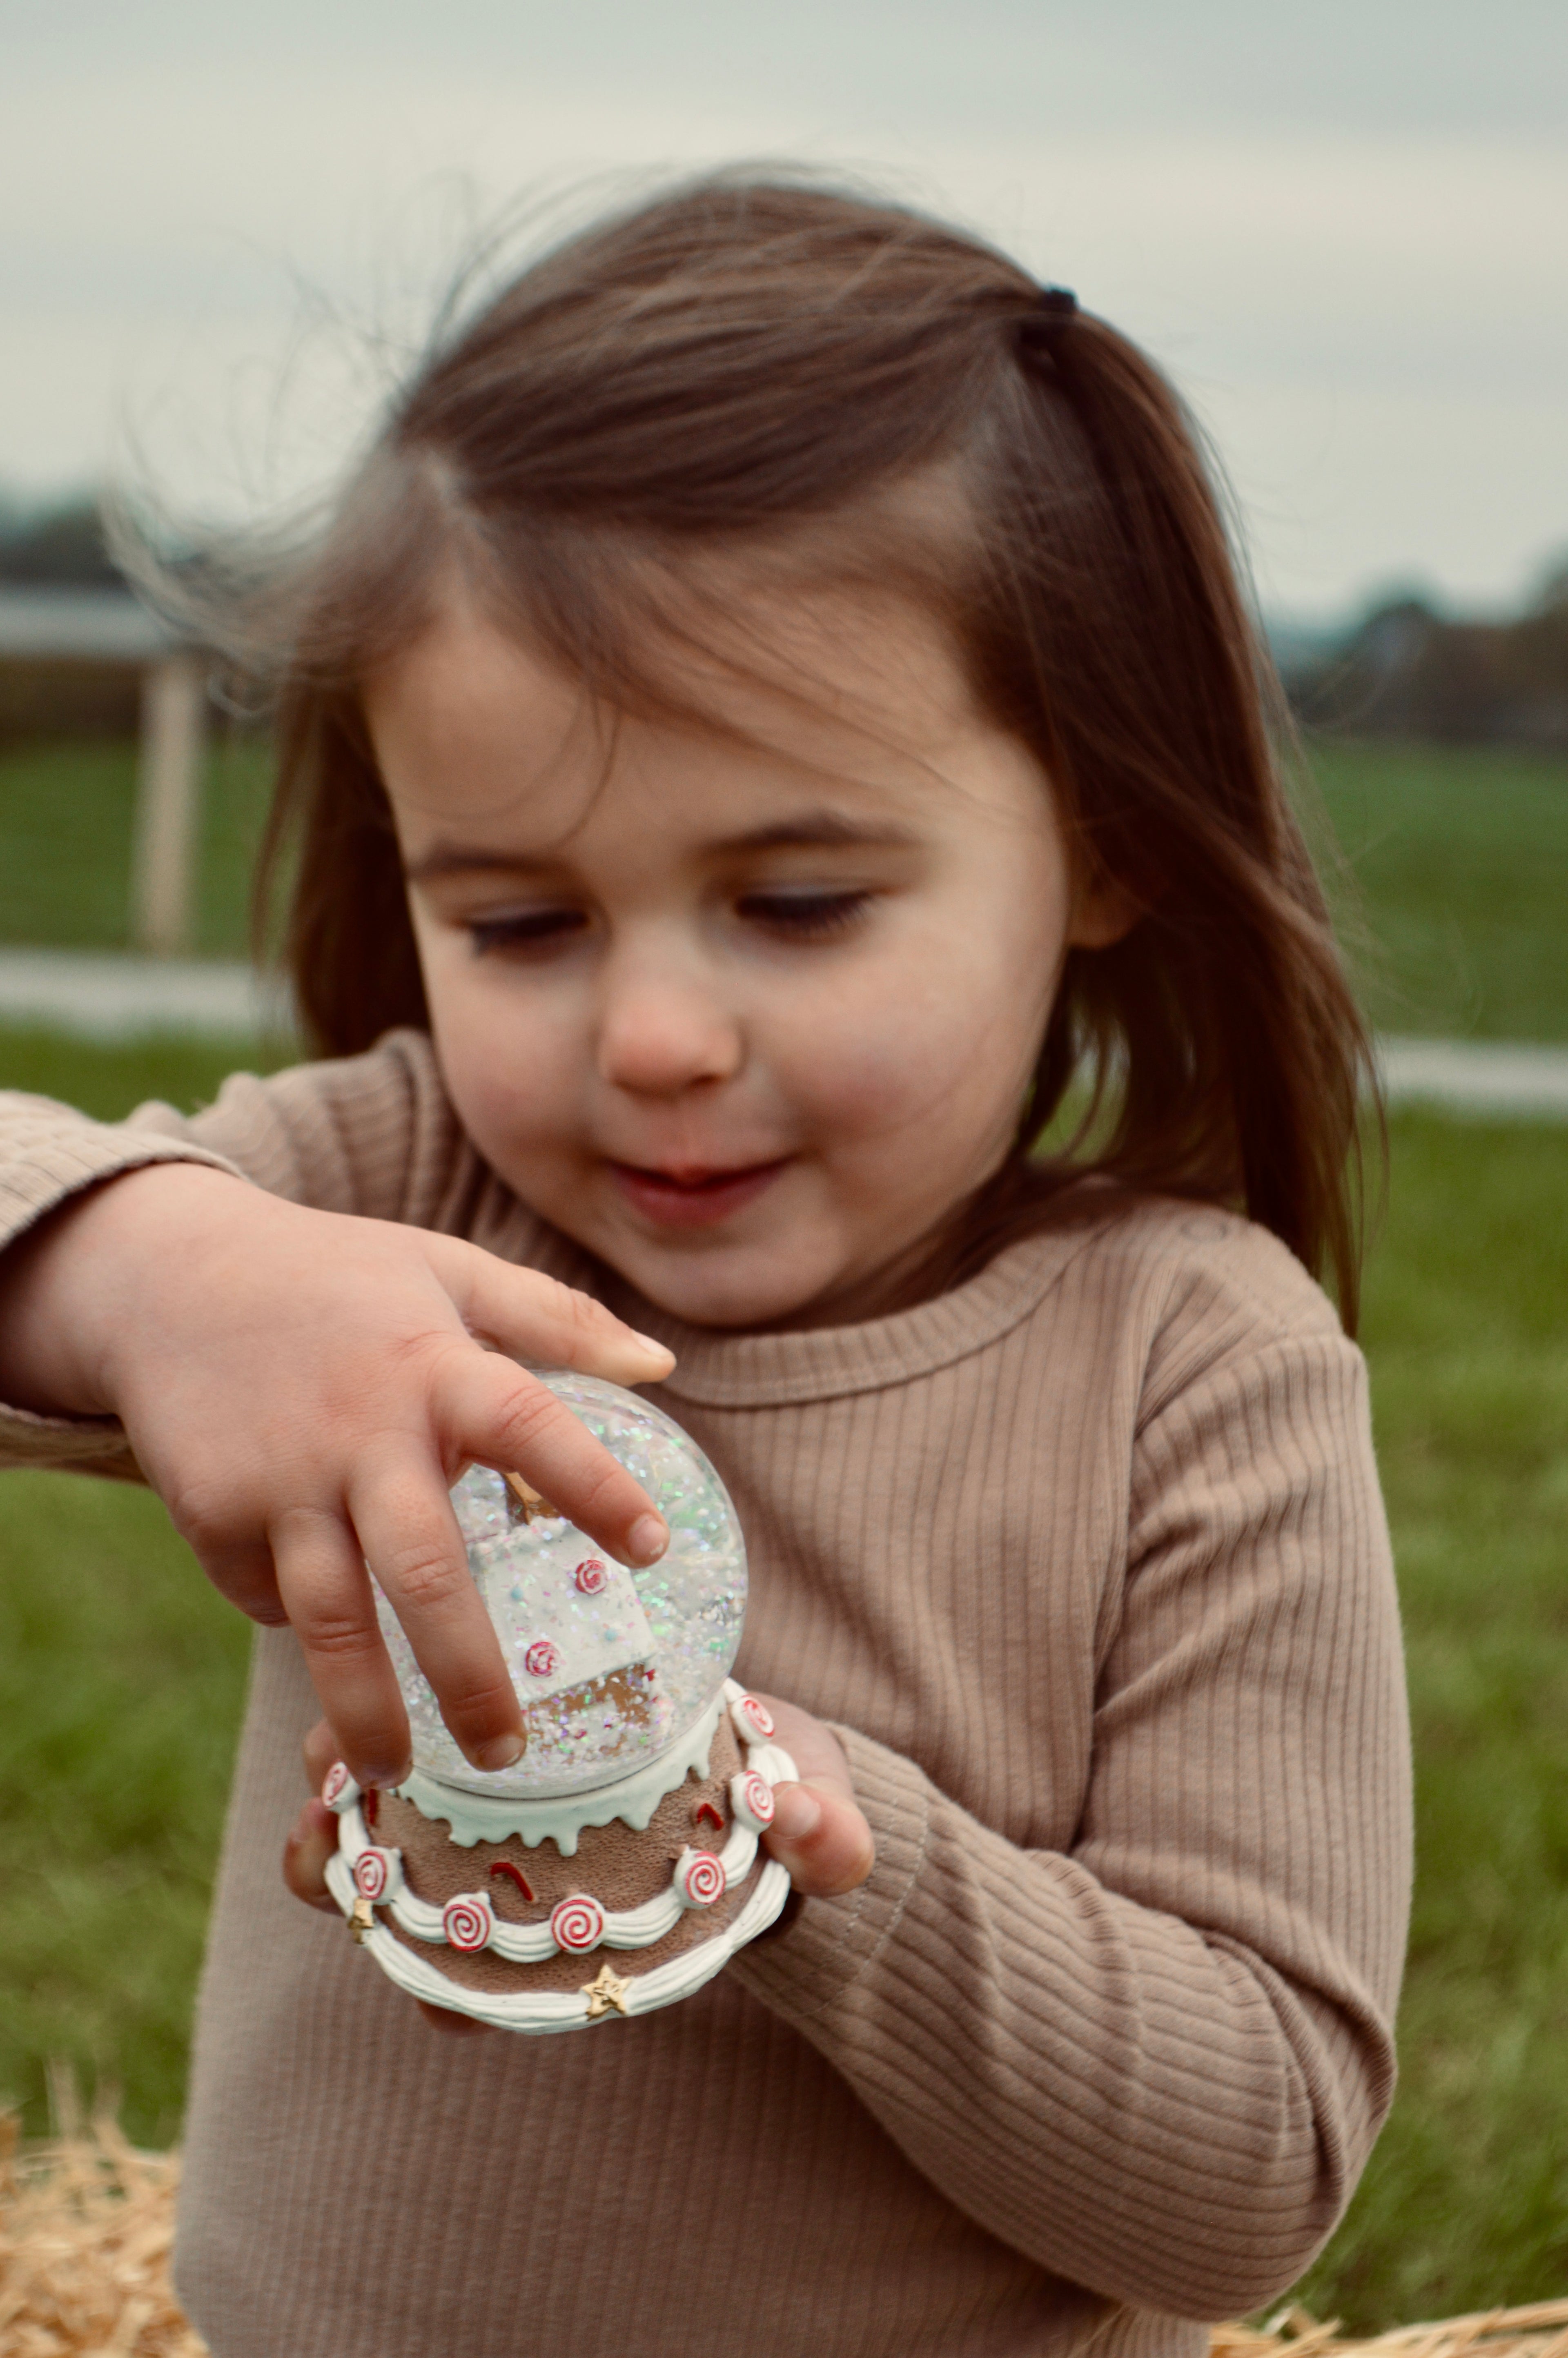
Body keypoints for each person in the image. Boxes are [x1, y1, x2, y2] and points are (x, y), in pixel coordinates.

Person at [0, 176, 1410, 2358]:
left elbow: (1245, 2182)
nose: (655, 1038)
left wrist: (778, 1837)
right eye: (525, 923)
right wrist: (150, 1262)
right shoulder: (391, 1207)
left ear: (1108, 840)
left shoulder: (1191, 1365)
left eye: (800, 901)